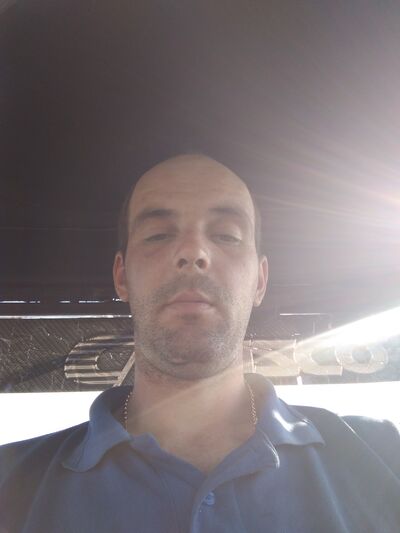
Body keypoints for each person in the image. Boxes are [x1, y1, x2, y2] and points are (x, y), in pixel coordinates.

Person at [0, 154, 399, 532]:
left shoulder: (381, 455)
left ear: (260, 281)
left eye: (226, 235)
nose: (193, 252)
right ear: (122, 277)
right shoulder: (10, 482)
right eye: (158, 235)